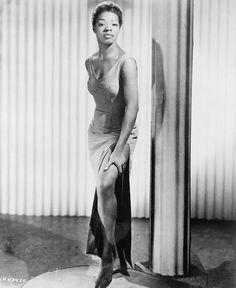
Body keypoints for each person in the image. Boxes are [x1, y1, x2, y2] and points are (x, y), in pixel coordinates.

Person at [85, 1, 139, 287]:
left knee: (106, 185)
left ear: (120, 28)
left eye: (115, 24)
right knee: (102, 188)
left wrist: (120, 149)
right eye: (103, 23)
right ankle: (110, 255)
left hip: (122, 133)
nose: (109, 29)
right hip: (96, 134)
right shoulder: (90, 61)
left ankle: (107, 257)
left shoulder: (126, 62)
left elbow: (132, 107)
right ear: (94, 27)